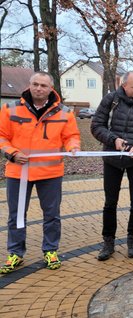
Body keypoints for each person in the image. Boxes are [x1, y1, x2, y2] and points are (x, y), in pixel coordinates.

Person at [0, 71, 81, 273]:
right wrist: (11, 153)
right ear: (29, 85)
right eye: (35, 84)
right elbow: (1, 137)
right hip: (18, 172)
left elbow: (71, 135)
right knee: (16, 215)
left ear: (50, 88)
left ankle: (50, 250)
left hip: (51, 173)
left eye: (43, 85)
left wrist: (73, 147)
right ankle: (15, 253)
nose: (38, 88)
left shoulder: (64, 112)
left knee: (52, 215)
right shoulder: (10, 109)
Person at [91, 71, 133, 261]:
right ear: (124, 85)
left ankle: (132, 238)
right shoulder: (111, 100)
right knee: (110, 202)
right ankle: (108, 241)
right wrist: (114, 140)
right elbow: (96, 126)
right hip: (112, 159)